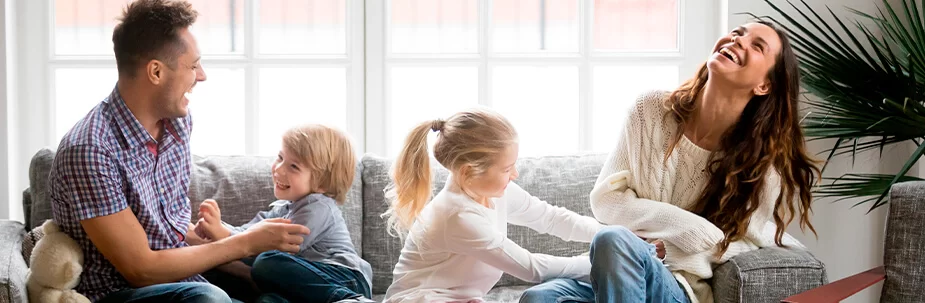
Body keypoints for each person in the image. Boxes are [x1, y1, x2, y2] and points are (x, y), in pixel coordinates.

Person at [519, 20, 820, 303]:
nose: (737, 40)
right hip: (619, 273)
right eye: (738, 33)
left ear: (764, 86)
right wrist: (686, 228)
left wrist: (671, 247)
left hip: (679, 288)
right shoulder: (650, 110)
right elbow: (606, 200)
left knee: (614, 239)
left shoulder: (763, 163)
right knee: (539, 298)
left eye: (757, 46)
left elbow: (746, 240)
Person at [48, 1, 308, 301]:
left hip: (183, 276)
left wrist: (250, 265)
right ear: (156, 72)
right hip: (121, 291)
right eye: (193, 65)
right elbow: (140, 269)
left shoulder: (176, 125)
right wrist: (246, 243)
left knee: (282, 290)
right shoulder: (90, 151)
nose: (202, 75)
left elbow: (171, 228)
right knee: (210, 299)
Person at [381, 108, 605, 303]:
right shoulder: (458, 216)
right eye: (507, 169)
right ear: (469, 171)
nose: (515, 174)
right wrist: (600, 264)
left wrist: (609, 233)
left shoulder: (497, 192)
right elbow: (531, 268)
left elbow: (550, 218)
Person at [195, 124, 374, 303]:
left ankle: (352, 300)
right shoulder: (281, 208)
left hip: (345, 280)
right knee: (267, 299)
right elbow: (245, 234)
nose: (279, 169)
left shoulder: (319, 207)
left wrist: (221, 234)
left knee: (267, 263)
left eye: (293, 166)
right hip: (300, 286)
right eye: (280, 157)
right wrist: (214, 227)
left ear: (323, 184)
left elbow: (263, 247)